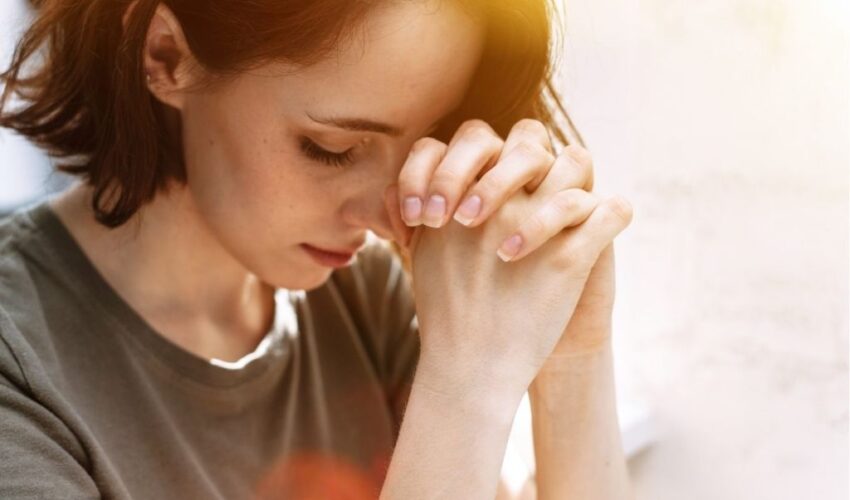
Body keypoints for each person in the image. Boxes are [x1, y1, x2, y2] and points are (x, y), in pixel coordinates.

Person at [0, 0, 634, 498]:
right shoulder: (20, 371)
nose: (386, 214)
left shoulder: (366, 304)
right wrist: (467, 383)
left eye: (425, 143)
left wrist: (571, 359)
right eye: (331, 148)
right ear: (166, 56)